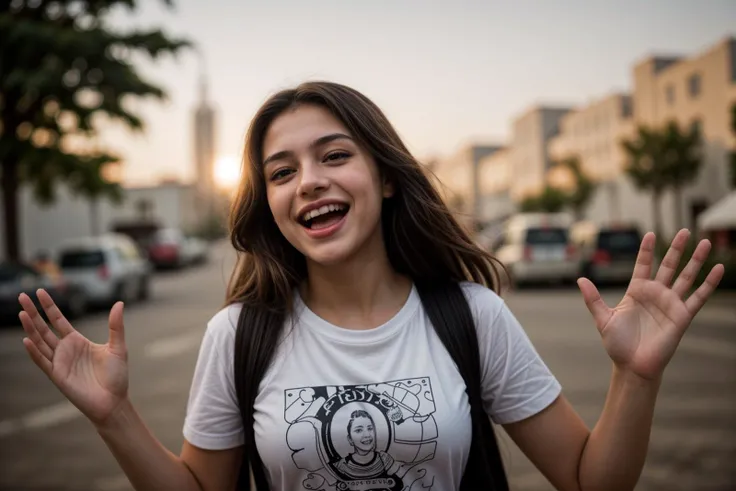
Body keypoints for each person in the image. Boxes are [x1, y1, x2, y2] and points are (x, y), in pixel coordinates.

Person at [17, 81, 724, 491]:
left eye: (334, 155)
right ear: (269, 202)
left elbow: (588, 478)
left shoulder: (473, 316)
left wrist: (635, 377)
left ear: (385, 176)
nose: (311, 181)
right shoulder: (238, 335)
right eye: (283, 171)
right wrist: (114, 416)